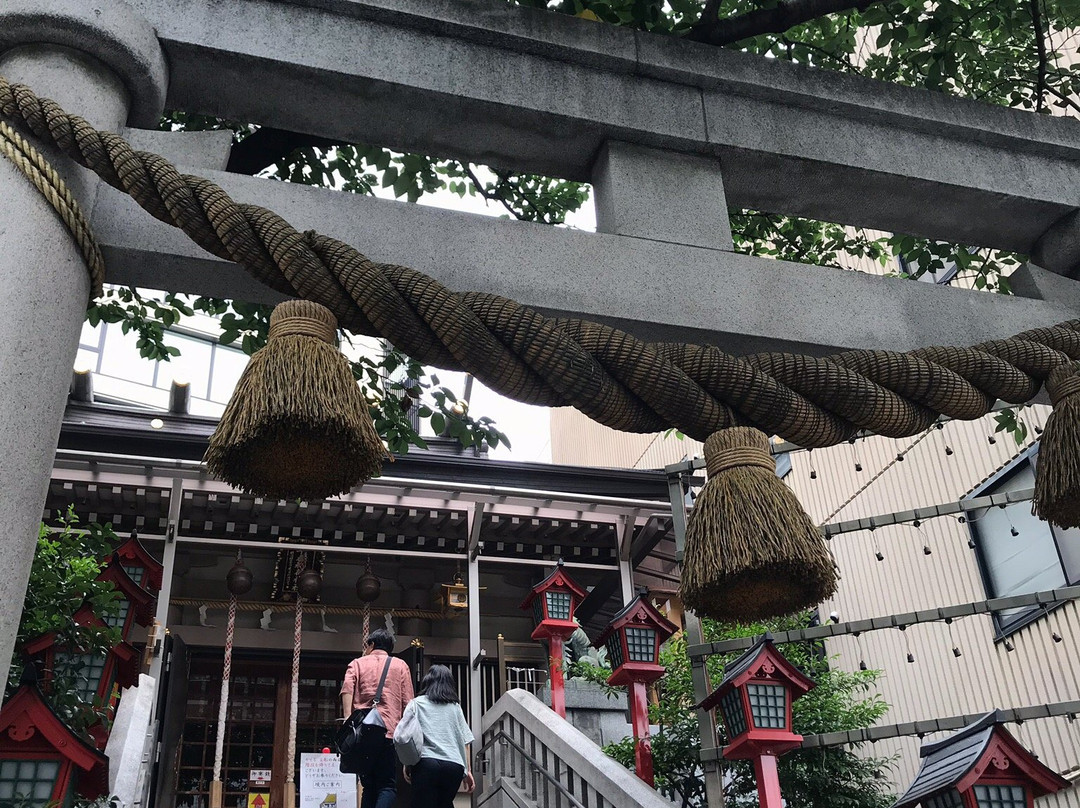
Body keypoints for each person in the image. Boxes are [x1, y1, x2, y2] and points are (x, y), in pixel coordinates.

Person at [340, 629, 415, 808]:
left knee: (368, 786)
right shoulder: (400, 665)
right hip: (389, 733)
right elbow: (409, 702)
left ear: (371, 644)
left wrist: (346, 719)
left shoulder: (357, 663)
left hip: (363, 734)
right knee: (387, 786)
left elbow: (347, 688)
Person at [401, 665, 475, 807]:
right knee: (445, 803)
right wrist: (467, 770)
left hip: (425, 763)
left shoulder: (416, 704)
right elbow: (465, 741)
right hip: (454, 766)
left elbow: (406, 735)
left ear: (427, 681)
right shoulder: (455, 707)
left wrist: (407, 763)